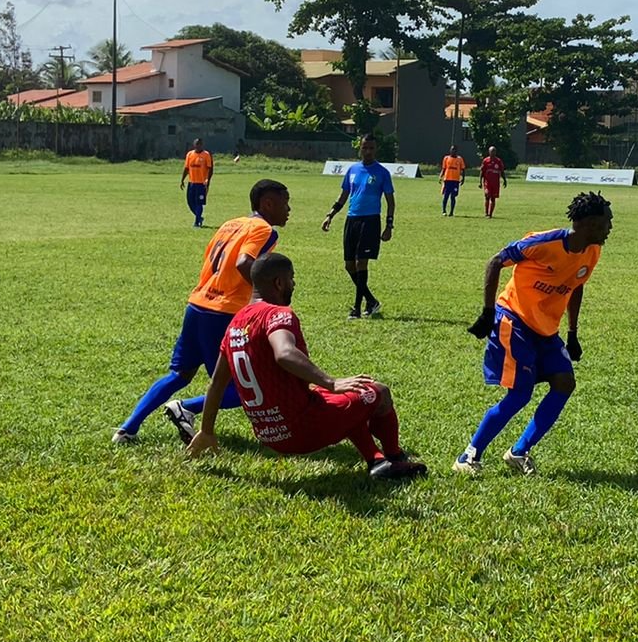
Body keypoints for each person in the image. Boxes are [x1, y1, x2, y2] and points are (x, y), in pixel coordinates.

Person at [185, 254, 427, 481]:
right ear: (278, 283)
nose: (294, 283)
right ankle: (395, 458)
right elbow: (284, 353)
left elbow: (216, 382)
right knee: (379, 391)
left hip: (269, 435)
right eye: (291, 278)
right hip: (302, 429)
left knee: (339, 399)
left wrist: (207, 430)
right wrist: (331, 382)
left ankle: (376, 460)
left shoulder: (235, 324)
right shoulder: (277, 314)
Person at [113, 179, 289, 444]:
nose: (289, 209)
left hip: (197, 305)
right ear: (268, 203)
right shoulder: (264, 230)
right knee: (250, 388)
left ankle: (127, 429)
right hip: (223, 312)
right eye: (285, 203)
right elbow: (244, 262)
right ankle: (187, 407)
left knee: (179, 374)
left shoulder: (231, 223)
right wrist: (266, 298)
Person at [453, 191, 613, 476]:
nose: (609, 228)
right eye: (605, 222)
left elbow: (577, 284)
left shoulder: (593, 250)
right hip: (513, 319)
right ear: (587, 223)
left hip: (546, 329)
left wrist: (573, 332)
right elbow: (495, 262)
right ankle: (468, 455)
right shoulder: (545, 242)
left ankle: (519, 451)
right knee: (520, 394)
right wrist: (488, 313)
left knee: (564, 382)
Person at [322, 134, 394, 319]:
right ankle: (371, 300)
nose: (368, 151)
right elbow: (344, 195)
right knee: (349, 265)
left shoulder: (382, 172)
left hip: (370, 221)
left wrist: (389, 225)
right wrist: (330, 214)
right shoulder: (352, 170)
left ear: (375, 149)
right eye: (365, 148)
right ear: (360, 148)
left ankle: (357, 308)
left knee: (361, 262)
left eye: (371, 148)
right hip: (351, 220)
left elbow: (390, 200)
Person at [180, 137, 214, 227]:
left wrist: (208, 179)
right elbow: (186, 168)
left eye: (199, 144)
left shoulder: (206, 155)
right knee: (190, 202)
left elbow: (210, 168)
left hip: (201, 183)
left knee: (199, 203)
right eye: (196, 144)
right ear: (194, 145)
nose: (198, 146)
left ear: (202, 145)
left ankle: (197, 222)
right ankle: (199, 217)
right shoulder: (190, 154)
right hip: (192, 183)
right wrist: (182, 179)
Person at [479, 145, 508, 218]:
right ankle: (486, 213)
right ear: (489, 152)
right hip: (487, 182)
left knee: (493, 198)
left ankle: (490, 214)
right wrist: (480, 182)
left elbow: (502, 171)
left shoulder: (498, 161)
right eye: (491, 151)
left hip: (495, 183)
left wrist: (504, 180)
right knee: (487, 196)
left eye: (494, 151)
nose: (493, 153)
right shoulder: (486, 161)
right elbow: (482, 172)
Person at [440, 145, 466, 216]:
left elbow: (463, 169)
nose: (453, 151)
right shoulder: (446, 158)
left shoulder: (460, 159)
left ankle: (451, 212)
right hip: (447, 180)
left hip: (455, 181)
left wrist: (463, 178)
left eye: (454, 150)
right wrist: (440, 176)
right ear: (450, 150)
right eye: (452, 150)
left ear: (456, 151)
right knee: (446, 196)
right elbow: (444, 168)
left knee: (453, 196)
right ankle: (444, 210)